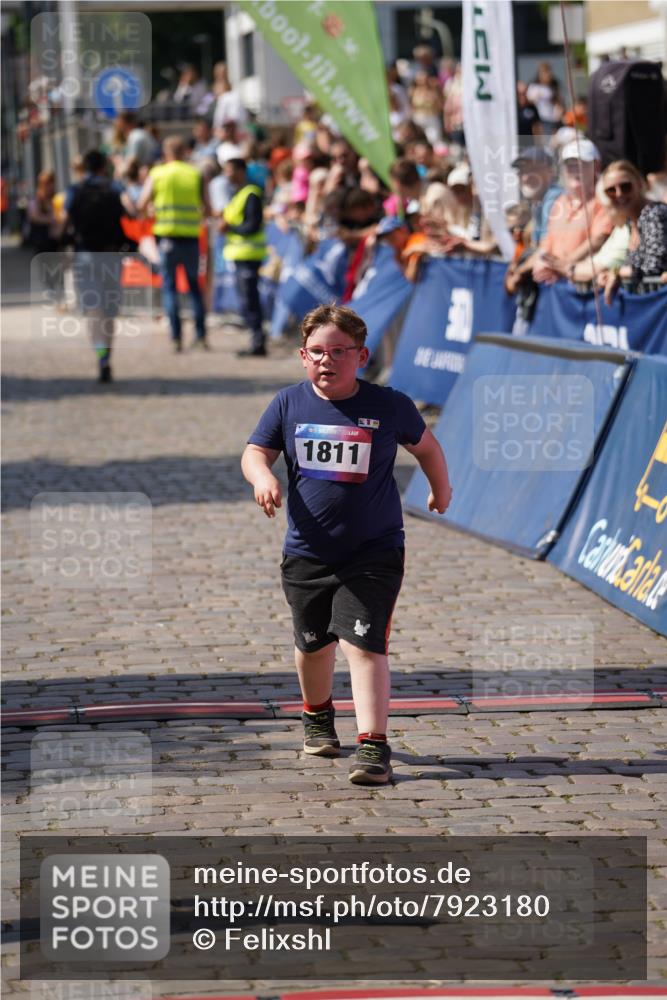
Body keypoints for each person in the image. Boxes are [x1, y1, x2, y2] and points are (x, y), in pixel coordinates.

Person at [240, 304, 452, 784]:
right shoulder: (288, 404)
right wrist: (262, 478)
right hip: (308, 551)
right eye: (316, 352)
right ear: (302, 356)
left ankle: (373, 745)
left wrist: (441, 489)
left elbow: (426, 447)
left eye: (339, 352)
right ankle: (317, 715)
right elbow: (256, 451)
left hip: (374, 550)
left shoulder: (388, 404)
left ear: (362, 356)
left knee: (363, 643)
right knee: (313, 646)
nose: (326, 361)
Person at [137, 135, 211, 350]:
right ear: (185, 152)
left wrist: (151, 210)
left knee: (169, 288)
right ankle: (201, 336)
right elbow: (207, 207)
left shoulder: (158, 174)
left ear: (166, 153)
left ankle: (176, 338)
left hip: (166, 238)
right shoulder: (195, 174)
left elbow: (141, 204)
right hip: (190, 238)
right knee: (194, 287)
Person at [66, 150, 127, 383]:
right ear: (104, 167)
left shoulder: (75, 190)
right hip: (111, 254)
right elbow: (132, 209)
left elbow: (64, 221)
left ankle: (100, 354)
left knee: (94, 309)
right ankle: (107, 357)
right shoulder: (114, 188)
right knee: (109, 311)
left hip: (85, 255)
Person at [533, 138, 613, 284]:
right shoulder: (559, 201)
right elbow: (547, 241)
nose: (574, 170)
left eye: (580, 164)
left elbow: (598, 240)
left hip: (582, 287)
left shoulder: (604, 200)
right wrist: (541, 262)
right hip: (554, 285)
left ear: (596, 166)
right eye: (569, 165)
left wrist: (561, 265)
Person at [597, 160, 667, 301]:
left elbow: (653, 267)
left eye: (626, 187)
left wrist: (616, 273)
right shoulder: (631, 221)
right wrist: (612, 275)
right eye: (611, 190)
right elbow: (634, 265)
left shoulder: (654, 213)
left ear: (639, 184)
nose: (619, 194)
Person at [219, 157, 267, 357]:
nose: (227, 175)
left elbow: (252, 225)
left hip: (249, 255)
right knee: (246, 301)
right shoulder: (238, 194)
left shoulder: (251, 194)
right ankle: (255, 340)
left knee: (250, 300)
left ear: (241, 171)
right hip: (240, 256)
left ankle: (258, 342)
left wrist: (229, 227)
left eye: (230, 170)